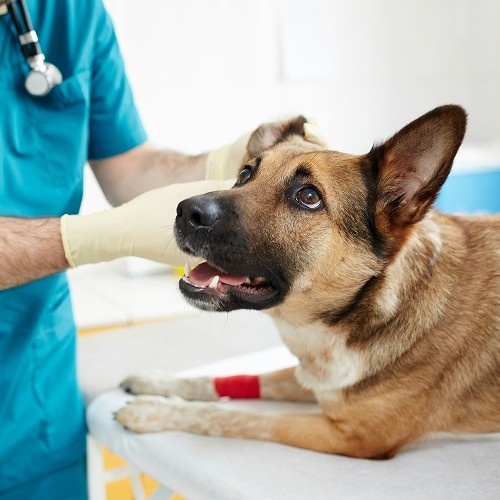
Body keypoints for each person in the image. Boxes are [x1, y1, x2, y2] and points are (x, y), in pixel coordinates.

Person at [0, 0, 323, 498]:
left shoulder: (71, 14)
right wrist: (88, 238)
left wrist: (225, 160)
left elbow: (129, 168)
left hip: (34, 396)